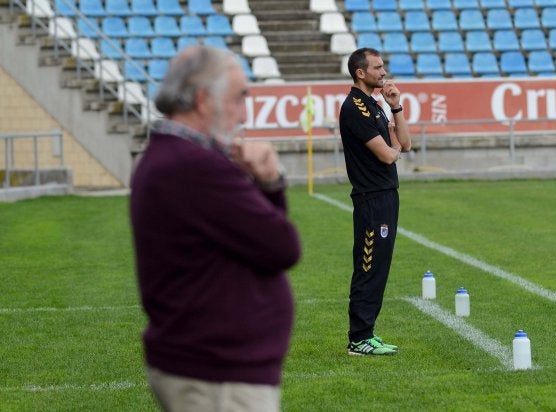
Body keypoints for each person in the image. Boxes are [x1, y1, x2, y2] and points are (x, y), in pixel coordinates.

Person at [129, 45, 301, 411]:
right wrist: (270, 181)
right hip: (217, 375)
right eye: (239, 97)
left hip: (211, 366)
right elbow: (282, 246)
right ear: (204, 100)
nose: (244, 112)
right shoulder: (193, 167)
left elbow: (261, 244)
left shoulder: (176, 157)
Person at [339, 48, 412, 356]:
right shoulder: (355, 107)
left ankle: (367, 333)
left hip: (386, 196)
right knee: (369, 267)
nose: (383, 72)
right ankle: (359, 338)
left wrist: (396, 107)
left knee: (379, 268)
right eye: (378, 67)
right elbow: (387, 155)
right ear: (360, 72)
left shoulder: (376, 104)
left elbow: (404, 144)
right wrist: (393, 148)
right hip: (372, 201)